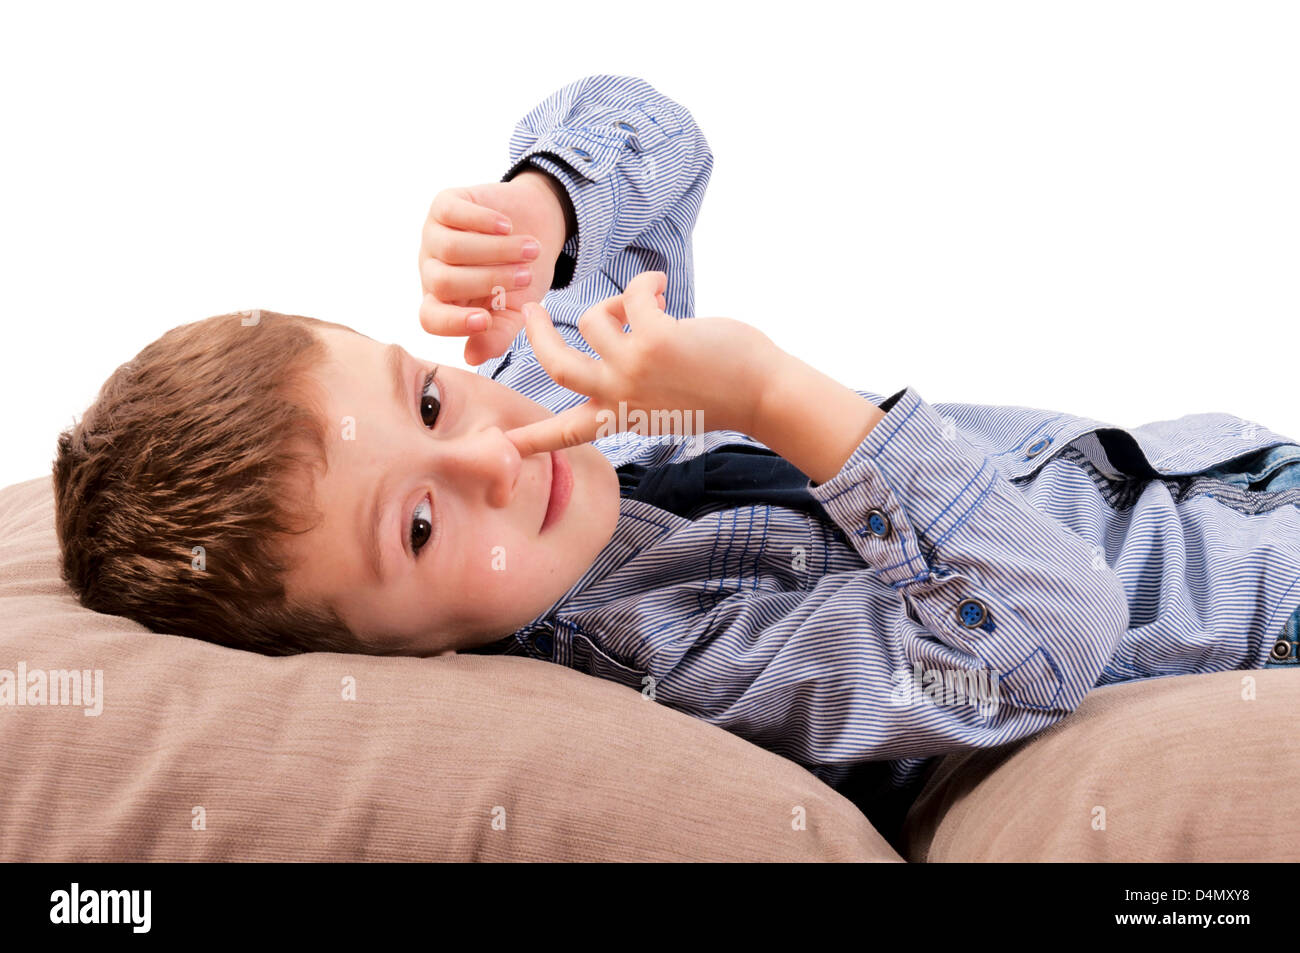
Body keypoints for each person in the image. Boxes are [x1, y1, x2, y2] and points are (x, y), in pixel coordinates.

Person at [53, 74, 1300, 844]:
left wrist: (541, 208)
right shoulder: (683, 658)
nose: (487, 455)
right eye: (419, 529)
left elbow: (657, 136)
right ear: (391, 657)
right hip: (1262, 604)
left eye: (427, 396)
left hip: (1231, 474)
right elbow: (1040, 632)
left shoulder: (539, 387)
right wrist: (772, 394)